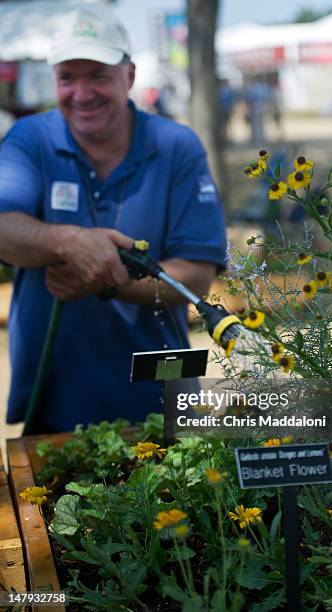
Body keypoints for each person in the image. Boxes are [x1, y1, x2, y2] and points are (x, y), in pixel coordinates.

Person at [0, 7, 227, 433]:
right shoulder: (30, 139)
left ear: (130, 76)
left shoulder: (175, 146)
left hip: (159, 395)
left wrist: (106, 278)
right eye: (68, 77)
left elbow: (195, 276)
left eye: (98, 75)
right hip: (55, 398)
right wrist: (69, 241)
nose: (82, 93)